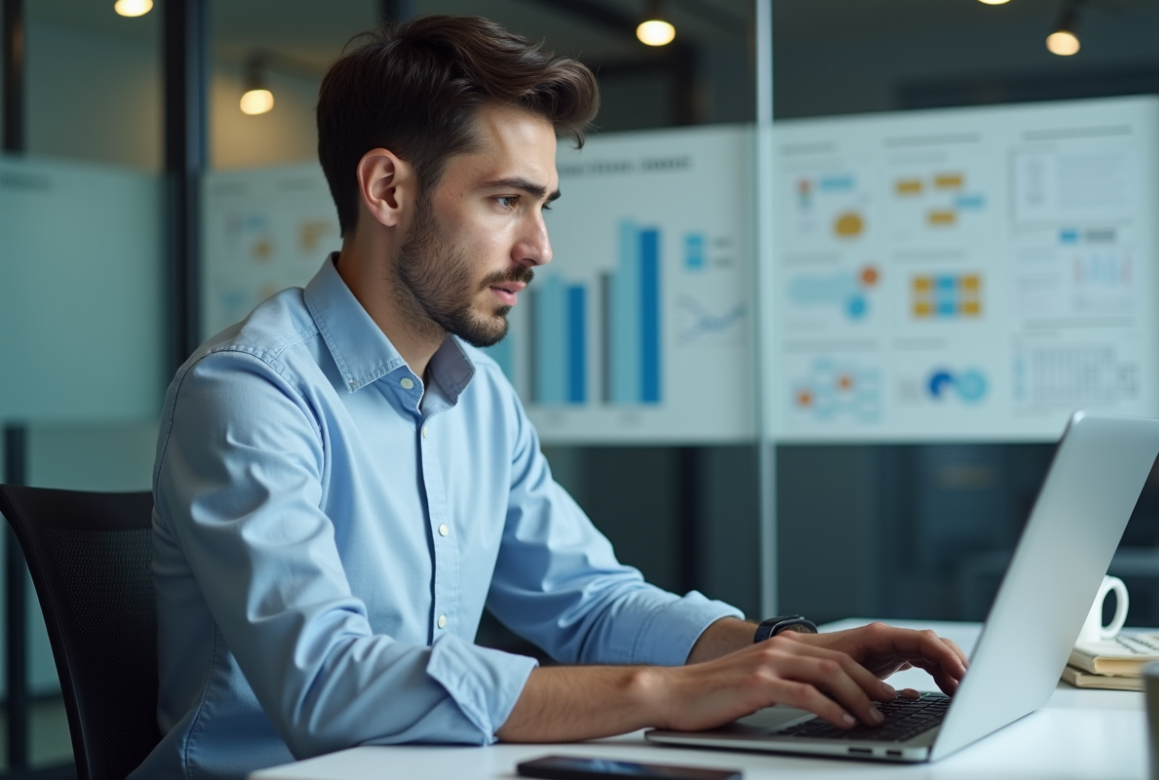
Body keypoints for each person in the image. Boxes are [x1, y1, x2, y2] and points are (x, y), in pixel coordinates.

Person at [131, 15, 968, 780]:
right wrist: (665, 693)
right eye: (505, 201)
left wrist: (777, 649)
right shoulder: (250, 390)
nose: (540, 248)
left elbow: (589, 601)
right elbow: (326, 686)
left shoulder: (479, 399)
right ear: (387, 190)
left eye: (542, 205)